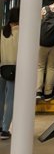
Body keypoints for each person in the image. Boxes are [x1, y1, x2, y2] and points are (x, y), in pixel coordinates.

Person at [0, 7, 19, 138]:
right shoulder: (22, 32)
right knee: (10, 99)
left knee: (1, 99)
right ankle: (5, 129)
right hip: (15, 68)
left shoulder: (3, 31)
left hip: (2, 66)